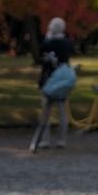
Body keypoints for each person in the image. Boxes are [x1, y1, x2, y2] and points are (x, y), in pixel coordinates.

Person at [35, 17, 74, 149]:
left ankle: (45, 139)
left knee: (46, 110)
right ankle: (61, 139)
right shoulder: (67, 43)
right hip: (62, 79)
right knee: (62, 109)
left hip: (49, 79)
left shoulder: (47, 43)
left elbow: (42, 59)